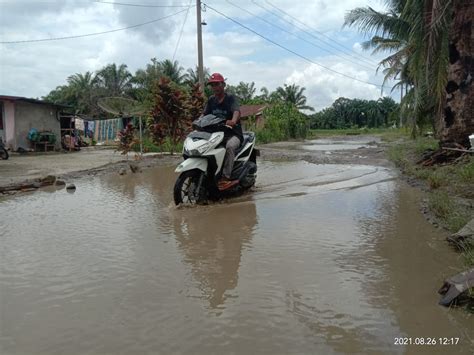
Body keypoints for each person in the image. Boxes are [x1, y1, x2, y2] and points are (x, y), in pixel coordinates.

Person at [202, 72, 243, 190]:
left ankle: (225, 178)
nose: (214, 87)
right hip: (217, 134)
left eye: (216, 84)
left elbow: (236, 111)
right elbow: (204, 114)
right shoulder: (211, 100)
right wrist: (198, 121)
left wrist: (233, 121)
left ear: (223, 85)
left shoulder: (230, 98)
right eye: (212, 85)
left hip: (233, 134)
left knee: (230, 146)